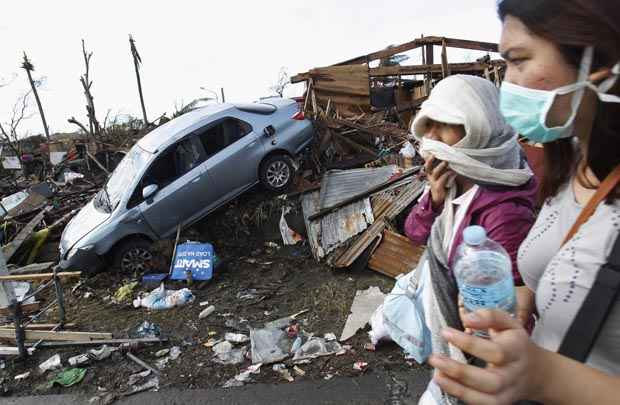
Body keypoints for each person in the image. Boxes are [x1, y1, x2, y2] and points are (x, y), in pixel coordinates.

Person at [428, 1, 620, 404]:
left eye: (518, 61)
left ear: (597, 59)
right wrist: (512, 305)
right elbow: (557, 274)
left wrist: (546, 377)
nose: (506, 86)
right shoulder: (570, 165)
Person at [370, 74, 536, 404]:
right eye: (427, 125)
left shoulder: (503, 212)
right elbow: (416, 234)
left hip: (483, 360)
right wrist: (432, 197)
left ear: (479, 129)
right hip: (455, 345)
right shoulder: (453, 181)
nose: (430, 137)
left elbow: (514, 308)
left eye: (443, 125)